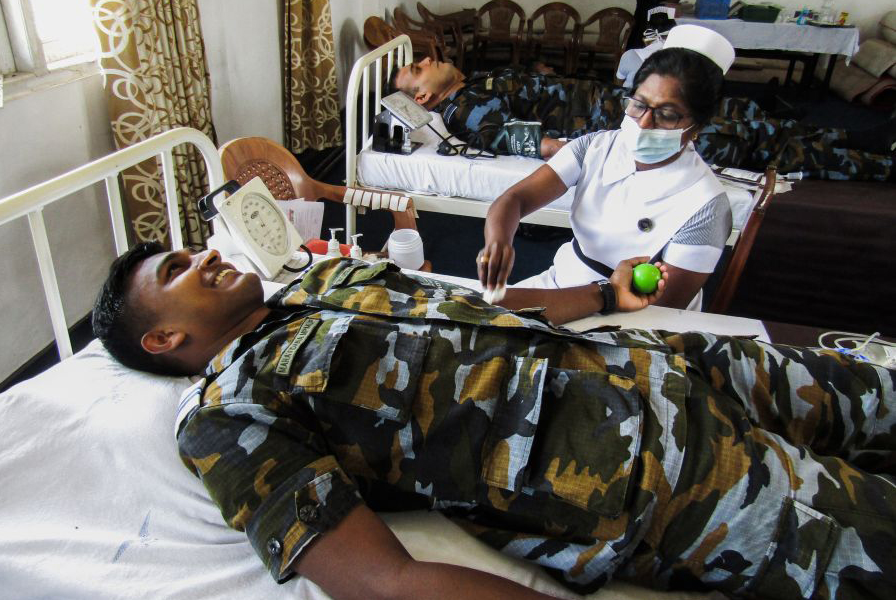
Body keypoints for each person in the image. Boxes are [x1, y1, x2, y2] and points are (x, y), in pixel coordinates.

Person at [92, 242, 895, 600]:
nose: (204, 256)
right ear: (165, 338)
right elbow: (379, 581)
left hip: (682, 365)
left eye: (191, 248)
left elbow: (486, 311)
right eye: (177, 270)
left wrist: (604, 301)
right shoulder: (225, 417)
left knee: (880, 392)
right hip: (674, 478)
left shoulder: (327, 279)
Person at [479, 25, 737, 312]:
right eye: (638, 105)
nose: (644, 123)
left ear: (697, 126)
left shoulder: (705, 206)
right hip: (563, 281)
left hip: (636, 314)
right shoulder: (595, 148)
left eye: (666, 115)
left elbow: (664, 310)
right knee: (483, 320)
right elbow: (516, 199)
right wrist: (499, 240)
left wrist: (600, 297)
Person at [391, 39, 896, 182]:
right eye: (417, 68)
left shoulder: (476, 81)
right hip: (635, 124)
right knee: (746, 141)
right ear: (423, 99)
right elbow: (523, 140)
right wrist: (597, 151)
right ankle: (872, 162)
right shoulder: (464, 110)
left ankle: (860, 139)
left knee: (745, 113)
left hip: (632, 102)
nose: (427, 59)